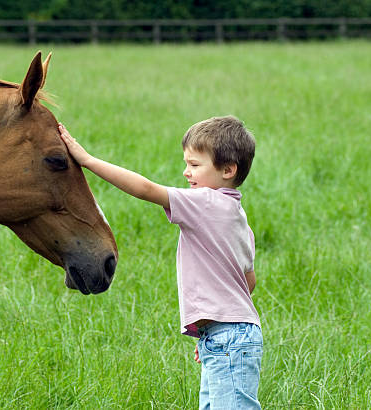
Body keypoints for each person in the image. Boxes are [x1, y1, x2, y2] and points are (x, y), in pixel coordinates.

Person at [58, 116, 262, 409]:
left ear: (228, 170)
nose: (186, 172)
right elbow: (248, 281)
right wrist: (212, 330)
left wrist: (87, 160)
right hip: (230, 334)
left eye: (194, 165)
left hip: (228, 338)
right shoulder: (238, 218)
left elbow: (145, 189)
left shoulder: (205, 202)